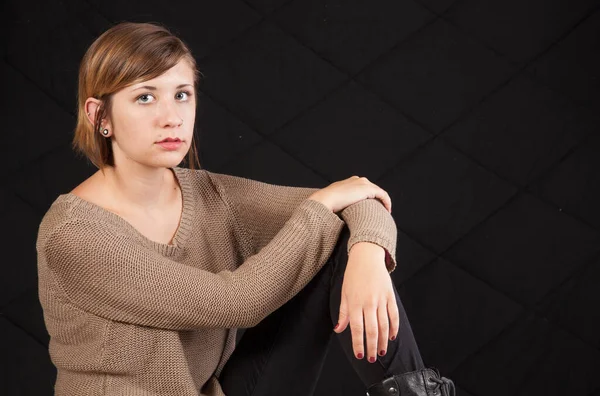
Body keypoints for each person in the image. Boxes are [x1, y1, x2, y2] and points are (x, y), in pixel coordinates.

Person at [35, 21, 455, 396]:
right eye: (145, 98)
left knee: (339, 240)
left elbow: (362, 201)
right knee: (323, 225)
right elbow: (236, 301)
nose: (172, 117)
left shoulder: (210, 196)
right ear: (99, 116)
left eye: (182, 95)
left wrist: (367, 253)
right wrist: (325, 201)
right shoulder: (74, 235)